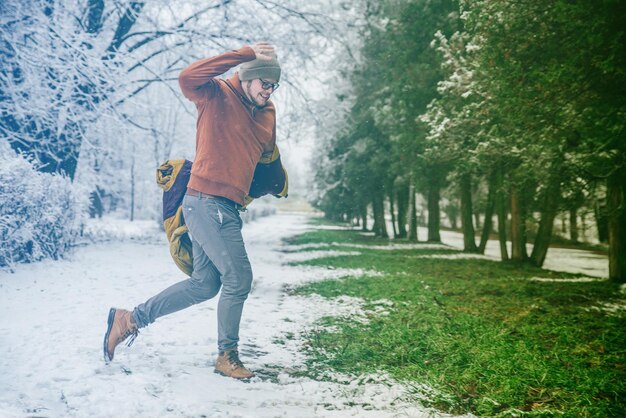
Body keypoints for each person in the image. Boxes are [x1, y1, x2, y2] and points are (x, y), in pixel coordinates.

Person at [103, 42, 282, 379]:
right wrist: (244, 55)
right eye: (264, 83)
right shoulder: (216, 94)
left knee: (205, 283)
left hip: (228, 206)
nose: (269, 91)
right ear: (247, 78)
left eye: (274, 86)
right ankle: (227, 355)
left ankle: (129, 319)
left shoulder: (267, 111)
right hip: (205, 200)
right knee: (239, 277)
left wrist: (273, 172)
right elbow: (188, 76)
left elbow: (265, 153)